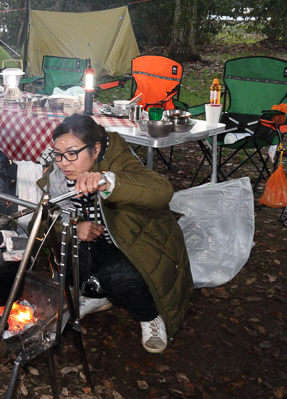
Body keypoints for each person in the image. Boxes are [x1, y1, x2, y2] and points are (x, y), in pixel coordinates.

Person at [23, 113, 192, 353]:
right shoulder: (58, 175)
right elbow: (39, 226)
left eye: (72, 153)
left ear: (96, 149)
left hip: (135, 244)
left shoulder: (119, 161)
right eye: (59, 155)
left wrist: (109, 182)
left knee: (119, 276)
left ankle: (150, 315)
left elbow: (162, 190)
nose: (64, 163)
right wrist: (74, 228)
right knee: (66, 257)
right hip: (96, 243)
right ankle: (97, 293)